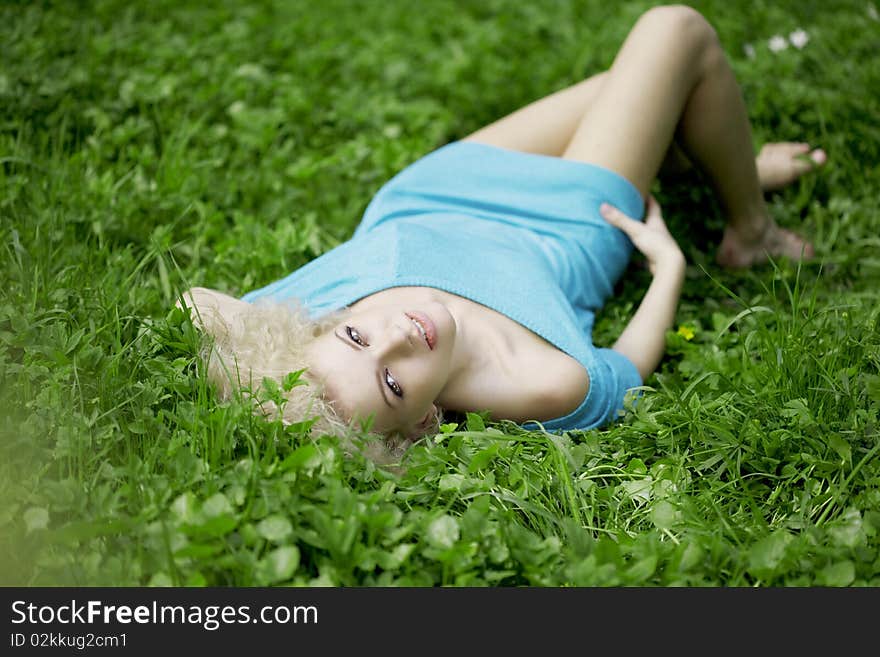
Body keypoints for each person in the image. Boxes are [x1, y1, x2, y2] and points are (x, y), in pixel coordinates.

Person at [180, 5, 826, 464]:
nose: (399, 335)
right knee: (673, 34)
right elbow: (624, 372)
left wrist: (274, 365)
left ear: (325, 325)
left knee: (638, 88)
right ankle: (751, 230)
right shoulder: (538, 381)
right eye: (395, 384)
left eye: (358, 334)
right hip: (566, 221)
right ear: (425, 421)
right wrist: (669, 268)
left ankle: (721, 156)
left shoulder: (309, 324)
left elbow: (194, 303)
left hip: (440, 189)